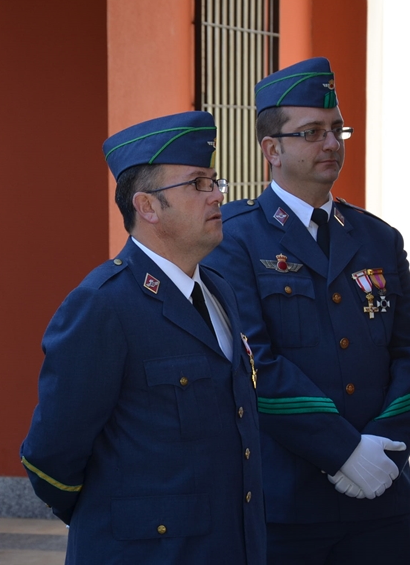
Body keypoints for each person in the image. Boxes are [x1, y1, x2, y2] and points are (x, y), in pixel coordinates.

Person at [205, 57, 410, 564]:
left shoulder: (378, 237)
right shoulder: (235, 239)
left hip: (384, 499)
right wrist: (344, 451)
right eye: (312, 132)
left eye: (337, 130)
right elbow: (253, 362)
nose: (331, 144)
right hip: (289, 504)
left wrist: (384, 447)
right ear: (272, 149)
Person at [20, 111, 266, 564]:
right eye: (197, 184)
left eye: (215, 181)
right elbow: (51, 456)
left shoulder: (217, 290)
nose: (217, 195)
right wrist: (116, 517)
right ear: (147, 206)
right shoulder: (104, 304)